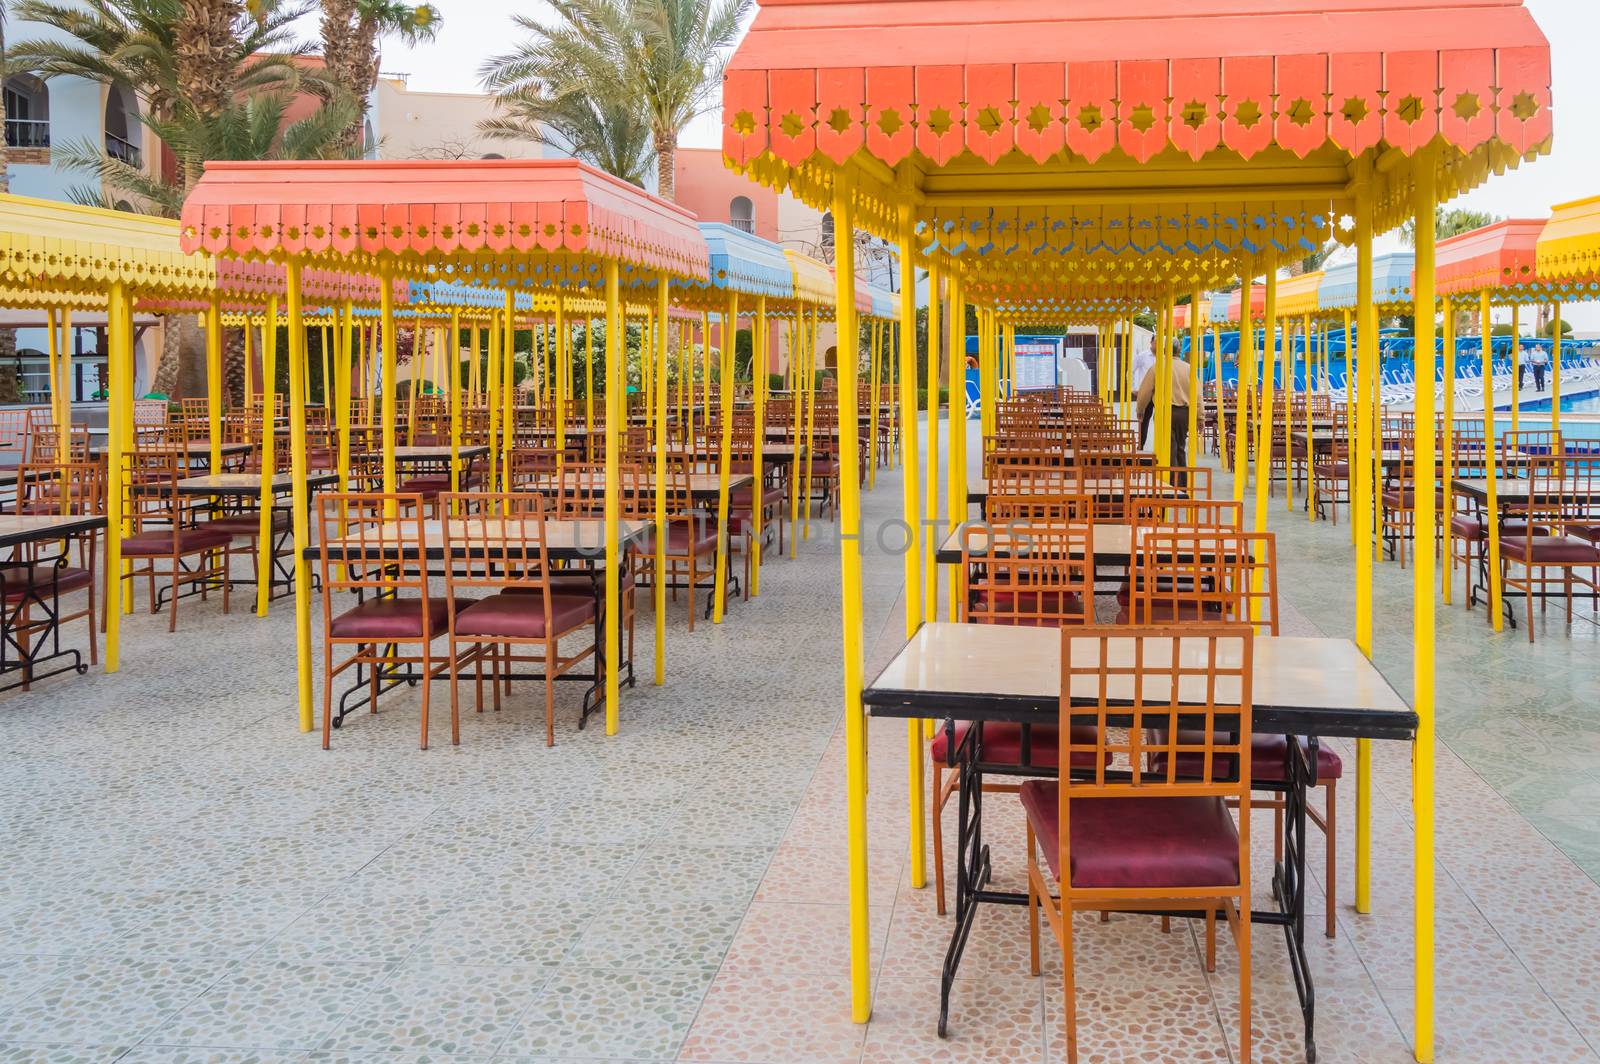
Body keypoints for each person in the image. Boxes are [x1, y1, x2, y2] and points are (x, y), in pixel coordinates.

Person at [1135, 349, 1192, 468]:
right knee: (1180, 448)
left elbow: (1145, 392)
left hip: (1164, 412)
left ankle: (1170, 481)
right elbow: (1197, 394)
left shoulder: (1158, 367)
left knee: (1168, 447)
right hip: (1184, 413)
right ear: (1179, 351)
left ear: (1165, 351)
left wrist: (1140, 410)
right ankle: (1182, 482)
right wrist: (1200, 416)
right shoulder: (1188, 368)